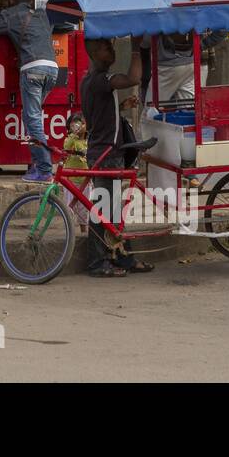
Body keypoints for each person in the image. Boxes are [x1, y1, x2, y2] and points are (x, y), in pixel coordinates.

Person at [81, 37, 154, 278]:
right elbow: (133, 79)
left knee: (113, 211)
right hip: (106, 153)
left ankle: (124, 256)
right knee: (102, 211)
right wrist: (135, 49)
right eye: (107, 48)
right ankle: (96, 262)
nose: (112, 51)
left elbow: (100, 114)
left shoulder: (89, 82)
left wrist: (120, 106)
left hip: (105, 151)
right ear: (94, 53)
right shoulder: (102, 80)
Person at [0, 0, 70, 182]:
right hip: (52, 69)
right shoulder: (42, 15)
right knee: (33, 117)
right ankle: (38, 164)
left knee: (32, 119)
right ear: (31, 1)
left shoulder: (11, 15)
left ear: (12, 0)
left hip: (32, 68)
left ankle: (44, 169)